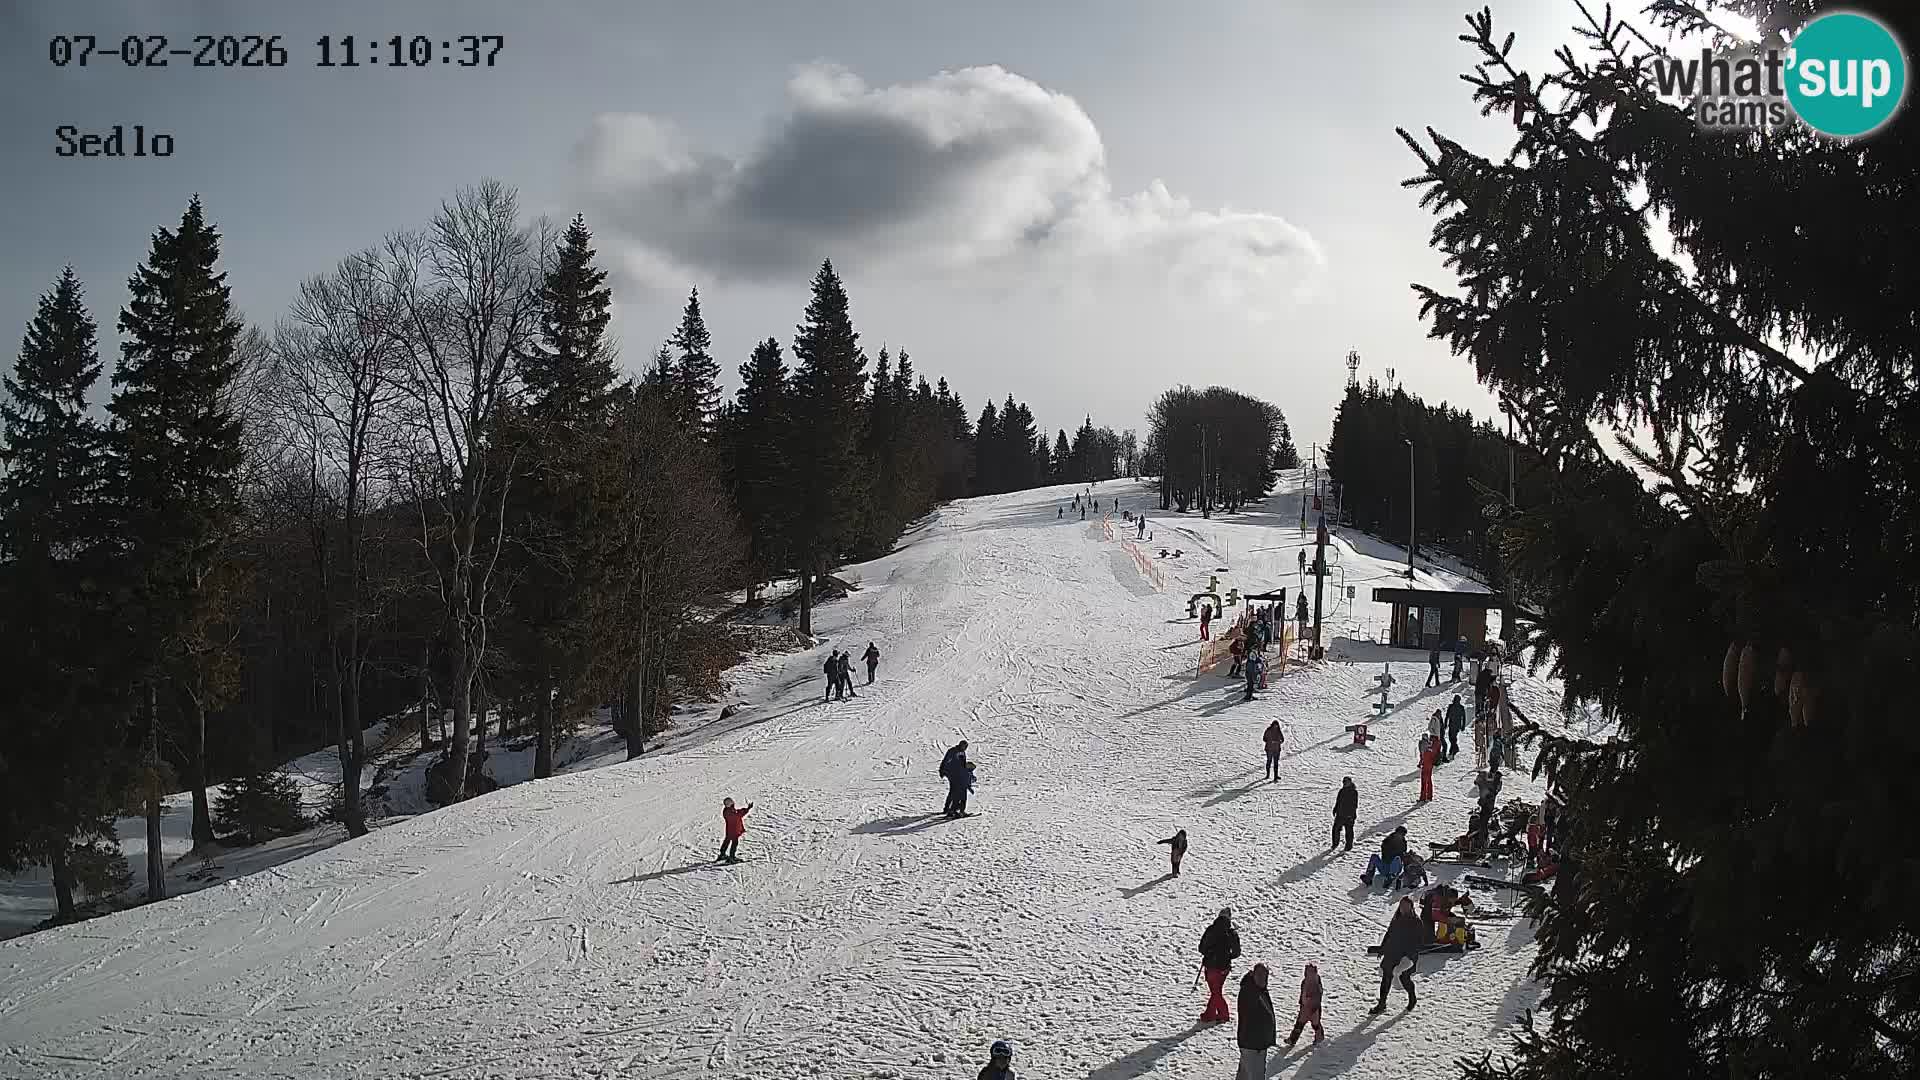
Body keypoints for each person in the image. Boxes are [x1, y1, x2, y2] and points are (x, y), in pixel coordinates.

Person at [1372, 896, 1426, 1014]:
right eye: (1401, 906)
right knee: (1386, 978)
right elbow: (1389, 933)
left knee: (1404, 978)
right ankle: (1382, 1004)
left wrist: (1409, 957)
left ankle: (1412, 997)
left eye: (1406, 906)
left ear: (1411, 907)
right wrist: (1382, 948)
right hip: (1392, 953)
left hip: (1406, 956)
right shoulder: (1397, 918)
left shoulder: (1416, 922)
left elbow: (1419, 942)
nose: (1403, 909)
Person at [1199, 908, 1242, 1022]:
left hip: (1210, 966)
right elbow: (1237, 952)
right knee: (1216, 991)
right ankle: (1211, 1014)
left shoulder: (1211, 930)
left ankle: (1221, 1015)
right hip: (1223, 968)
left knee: (1215, 991)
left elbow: (1201, 948)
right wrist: (1228, 957)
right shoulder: (1232, 933)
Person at [1236, 963, 1276, 1079]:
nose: (1263, 979)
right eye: (1259, 975)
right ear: (1253, 974)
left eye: (1265, 976)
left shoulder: (1258, 989)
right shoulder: (1250, 992)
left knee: (1244, 1074)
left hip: (1254, 1043)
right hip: (1253, 1045)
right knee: (1256, 1075)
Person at [1284, 962, 1324, 1046]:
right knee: (1299, 1024)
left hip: (1313, 1009)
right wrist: (1302, 1002)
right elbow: (1303, 993)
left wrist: (1314, 1007)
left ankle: (1319, 1038)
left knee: (1315, 1025)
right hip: (1305, 1008)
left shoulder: (1316, 984)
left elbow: (1318, 996)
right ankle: (1292, 1039)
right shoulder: (1305, 981)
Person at [939, 741, 970, 815]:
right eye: (964, 747)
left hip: (959, 774)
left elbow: (962, 763)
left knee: (954, 791)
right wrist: (942, 770)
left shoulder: (962, 752)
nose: (965, 749)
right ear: (960, 745)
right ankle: (950, 809)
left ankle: (950, 808)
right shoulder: (953, 751)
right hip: (952, 774)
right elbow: (945, 761)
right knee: (955, 791)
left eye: (966, 747)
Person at [718, 797, 753, 863]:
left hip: (729, 830)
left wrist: (746, 809)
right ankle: (732, 857)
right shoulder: (730, 811)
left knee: (727, 840)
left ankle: (722, 854)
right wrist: (747, 809)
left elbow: (737, 812)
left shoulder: (727, 810)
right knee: (734, 843)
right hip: (734, 830)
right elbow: (738, 814)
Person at [1332, 777, 1359, 851]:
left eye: (1346, 782)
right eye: (1343, 782)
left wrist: (1351, 815)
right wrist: (1335, 809)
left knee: (1349, 831)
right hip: (1340, 814)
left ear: (1350, 783)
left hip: (1349, 815)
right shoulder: (1341, 791)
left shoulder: (1353, 792)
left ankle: (1348, 846)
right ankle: (1335, 843)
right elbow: (1338, 801)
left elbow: (1354, 805)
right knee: (1335, 829)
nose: (1344, 783)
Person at [1446, 695, 1468, 761]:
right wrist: (1445, 723)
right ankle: (1453, 750)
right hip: (1452, 724)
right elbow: (1447, 715)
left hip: (1456, 726)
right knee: (1451, 738)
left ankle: (1454, 749)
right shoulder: (1451, 706)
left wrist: (1463, 726)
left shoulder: (1461, 708)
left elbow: (1464, 718)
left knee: (1453, 738)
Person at [1418, 732, 1438, 803]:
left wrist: (1420, 763)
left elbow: (1422, 756)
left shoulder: (1423, 745)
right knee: (1429, 780)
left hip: (1425, 765)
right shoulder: (1431, 746)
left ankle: (1423, 797)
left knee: (1424, 781)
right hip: (1430, 765)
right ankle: (1429, 796)